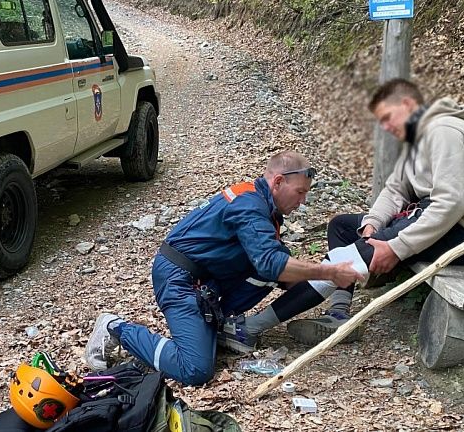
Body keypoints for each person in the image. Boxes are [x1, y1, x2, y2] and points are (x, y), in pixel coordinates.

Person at [84, 151, 366, 385]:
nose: (302, 201)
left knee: (279, 261)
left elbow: (279, 271)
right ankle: (115, 328)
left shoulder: (265, 209)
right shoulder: (249, 205)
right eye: (300, 192)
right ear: (278, 181)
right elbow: (271, 264)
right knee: (195, 370)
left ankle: (221, 324)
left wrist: (329, 279)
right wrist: (328, 272)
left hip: (206, 279)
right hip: (179, 278)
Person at [287, 78, 464, 345]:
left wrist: (397, 246)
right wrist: (372, 224)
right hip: (430, 219)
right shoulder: (415, 143)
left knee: (369, 248)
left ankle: (254, 325)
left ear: (407, 104)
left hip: (461, 232)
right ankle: (339, 312)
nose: (387, 127)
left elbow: (452, 202)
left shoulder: (443, 130)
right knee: (342, 227)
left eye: (388, 117)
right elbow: (395, 191)